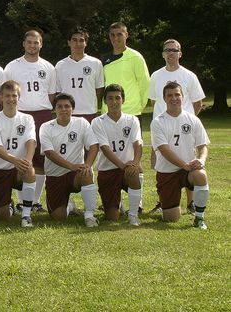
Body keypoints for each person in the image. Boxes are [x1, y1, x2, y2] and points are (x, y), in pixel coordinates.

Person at [148, 39, 206, 214]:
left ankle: (191, 203)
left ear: (180, 53)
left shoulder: (189, 76)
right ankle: (163, 201)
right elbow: (153, 102)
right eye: (167, 50)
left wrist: (185, 124)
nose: (170, 53)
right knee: (161, 165)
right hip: (162, 129)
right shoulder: (156, 76)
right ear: (163, 54)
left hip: (185, 130)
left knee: (189, 164)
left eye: (174, 50)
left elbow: (198, 103)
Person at [4, 29, 56, 213]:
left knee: (40, 160)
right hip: (20, 115)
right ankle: (21, 202)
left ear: (41, 44)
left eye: (36, 42)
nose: (32, 46)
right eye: (29, 42)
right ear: (23, 44)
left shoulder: (49, 67)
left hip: (42, 114)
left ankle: (35, 201)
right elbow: (5, 93)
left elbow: (52, 95)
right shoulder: (12, 67)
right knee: (21, 157)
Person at [150, 82, 210, 229]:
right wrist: (184, 164)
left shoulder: (193, 119)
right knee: (171, 219)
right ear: (164, 99)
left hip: (188, 170)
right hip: (167, 172)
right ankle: (168, 207)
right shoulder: (158, 122)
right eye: (169, 95)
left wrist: (200, 160)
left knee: (201, 175)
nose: (174, 98)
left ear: (183, 96)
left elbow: (203, 146)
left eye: (177, 94)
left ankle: (199, 218)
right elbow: (164, 150)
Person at [39, 93, 100, 227]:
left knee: (86, 173)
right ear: (54, 109)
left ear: (73, 109)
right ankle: (70, 206)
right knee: (58, 218)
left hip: (75, 174)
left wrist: (88, 165)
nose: (63, 109)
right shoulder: (46, 127)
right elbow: (49, 153)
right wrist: (71, 166)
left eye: (67, 106)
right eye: (59, 106)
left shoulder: (82, 123)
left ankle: (89, 215)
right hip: (55, 175)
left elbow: (94, 145)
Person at [0, 80, 37, 228]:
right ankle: (9, 206)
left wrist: (27, 160)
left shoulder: (27, 119)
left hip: (18, 170)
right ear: (0, 98)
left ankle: (26, 215)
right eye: (7, 96)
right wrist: (15, 160)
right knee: (3, 217)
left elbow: (31, 141)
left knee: (29, 169)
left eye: (14, 95)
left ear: (19, 97)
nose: (10, 99)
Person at [91, 84, 143, 226]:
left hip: (127, 169)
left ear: (123, 100)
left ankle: (133, 214)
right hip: (107, 170)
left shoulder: (132, 120)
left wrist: (135, 162)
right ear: (105, 101)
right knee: (112, 217)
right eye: (110, 98)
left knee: (134, 171)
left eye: (117, 98)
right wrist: (122, 165)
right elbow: (105, 148)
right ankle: (116, 204)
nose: (114, 102)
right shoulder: (97, 122)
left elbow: (138, 143)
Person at [102, 22, 149, 119]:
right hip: (108, 112)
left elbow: (145, 84)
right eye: (112, 35)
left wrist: (140, 106)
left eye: (119, 34)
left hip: (131, 112)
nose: (115, 38)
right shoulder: (104, 59)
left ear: (126, 35)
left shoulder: (136, 57)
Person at [56, 27, 104, 122]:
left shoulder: (95, 63)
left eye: (81, 40)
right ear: (69, 42)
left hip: (89, 112)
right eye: (74, 40)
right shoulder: (60, 65)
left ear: (86, 43)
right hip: (68, 113)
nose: (78, 44)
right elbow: (59, 92)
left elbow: (99, 89)